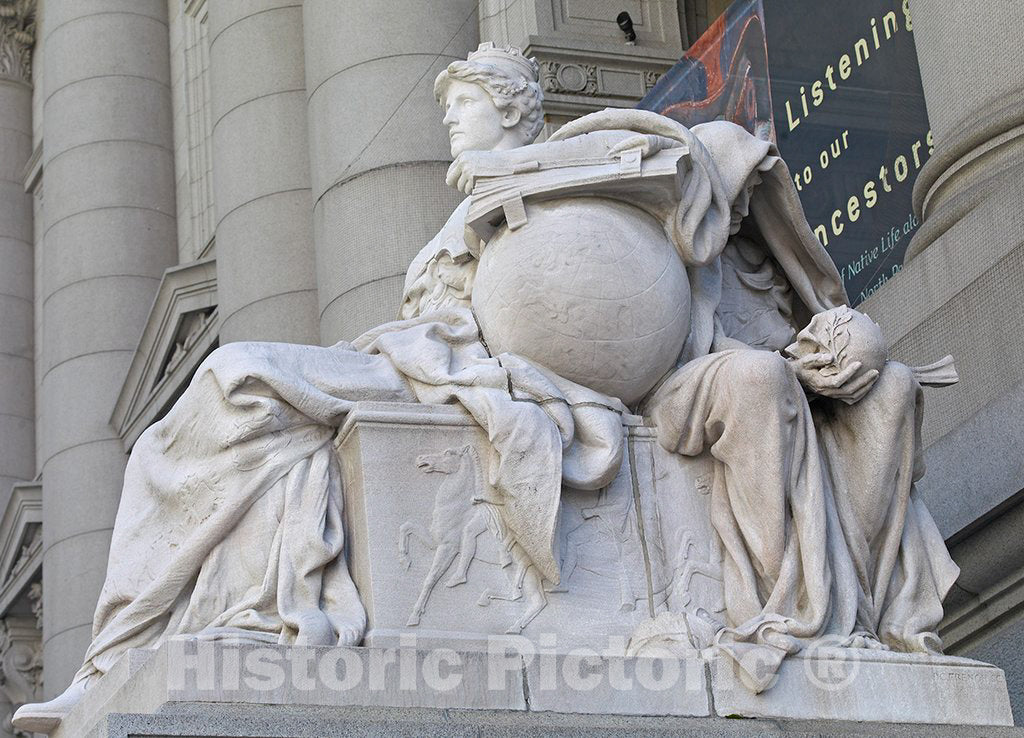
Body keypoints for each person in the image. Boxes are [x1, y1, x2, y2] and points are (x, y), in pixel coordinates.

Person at [16, 42, 958, 732]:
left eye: (462, 112)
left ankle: (787, 621)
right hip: (469, 377)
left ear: (511, 110)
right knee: (229, 386)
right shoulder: (456, 233)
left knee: (752, 379)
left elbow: (801, 314)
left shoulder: (621, 169)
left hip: (645, 390)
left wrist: (855, 336)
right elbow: (434, 339)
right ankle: (116, 656)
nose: (451, 132)